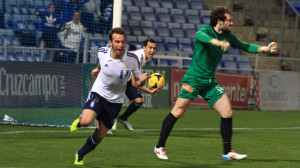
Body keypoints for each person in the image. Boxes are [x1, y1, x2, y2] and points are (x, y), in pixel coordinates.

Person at [153, 6, 278, 161]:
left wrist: (265, 49)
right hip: (194, 78)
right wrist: (218, 43)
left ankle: (227, 152)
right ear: (220, 21)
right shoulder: (206, 30)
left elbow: (245, 46)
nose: (232, 23)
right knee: (177, 111)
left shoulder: (228, 36)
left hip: (209, 82)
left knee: (227, 112)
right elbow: (200, 36)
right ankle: (159, 147)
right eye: (229, 20)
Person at [70, 27, 148, 166]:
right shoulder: (102, 51)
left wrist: (142, 80)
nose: (120, 45)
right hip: (98, 94)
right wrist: (97, 69)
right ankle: (81, 121)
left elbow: (136, 82)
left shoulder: (132, 59)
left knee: (99, 136)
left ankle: (80, 154)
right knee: (87, 121)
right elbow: (101, 61)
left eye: (123, 42)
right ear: (110, 43)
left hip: (115, 102)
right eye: (117, 42)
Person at [91, 38, 161, 131]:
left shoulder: (141, 56)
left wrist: (97, 68)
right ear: (144, 48)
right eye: (150, 48)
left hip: (125, 79)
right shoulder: (138, 57)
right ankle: (98, 124)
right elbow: (134, 83)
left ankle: (123, 118)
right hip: (115, 78)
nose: (152, 51)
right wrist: (149, 91)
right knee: (109, 102)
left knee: (138, 101)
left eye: (154, 48)